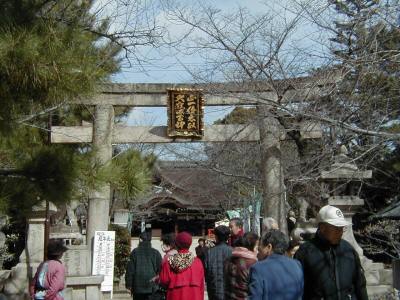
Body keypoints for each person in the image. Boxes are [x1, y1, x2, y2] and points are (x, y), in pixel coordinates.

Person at [294, 205, 368, 300]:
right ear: (322, 227)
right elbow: (296, 288)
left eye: (342, 228)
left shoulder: (348, 250)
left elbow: (360, 286)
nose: (340, 232)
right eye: (337, 228)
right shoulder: (305, 252)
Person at [249, 230, 304, 300]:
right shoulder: (297, 265)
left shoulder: (258, 269)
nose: (257, 254)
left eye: (259, 250)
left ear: (269, 247)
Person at [159, 231, 204, 300]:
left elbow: (164, 281)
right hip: (195, 296)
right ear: (190, 244)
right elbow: (201, 285)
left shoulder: (169, 261)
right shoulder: (198, 262)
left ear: (176, 244)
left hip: (175, 296)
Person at [125, 231, 162, 300]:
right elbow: (160, 270)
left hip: (137, 287)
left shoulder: (135, 252)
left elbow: (130, 270)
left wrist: (128, 284)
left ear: (140, 239)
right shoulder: (156, 253)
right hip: (152, 287)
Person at [224, 232, 259, 300]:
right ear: (251, 246)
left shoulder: (228, 260)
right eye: (257, 247)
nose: (258, 251)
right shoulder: (252, 263)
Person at [205, 225, 232, 300]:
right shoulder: (233, 251)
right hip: (230, 291)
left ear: (216, 237)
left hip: (214, 290)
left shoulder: (209, 252)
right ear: (228, 237)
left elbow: (207, 273)